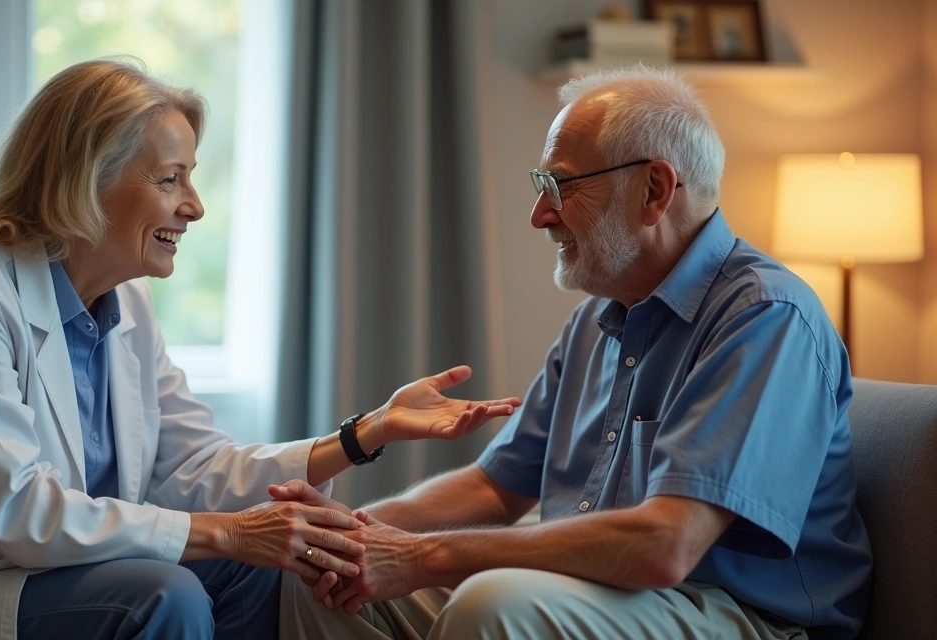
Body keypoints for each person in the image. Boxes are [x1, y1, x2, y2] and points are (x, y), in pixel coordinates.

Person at [0, 58, 522, 640]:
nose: (195, 206)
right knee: (164, 591)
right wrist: (233, 533)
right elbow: (16, 513)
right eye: (171, 178)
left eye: (191, 178)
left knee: (266, 573)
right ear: (88, 181)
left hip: (36, 572)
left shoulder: (123, 305)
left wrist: (366, 434)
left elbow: (194, 468)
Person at [277, 65, 873, 640]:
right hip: (599, 593)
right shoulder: (598, 318)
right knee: (320, 577)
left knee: (495, 605)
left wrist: (422, 556)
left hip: (740, 614)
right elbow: (495, 488)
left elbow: (668, 546)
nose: (540, 215)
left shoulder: (764, 317)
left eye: (561, 186)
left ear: (655, 190)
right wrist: (352, 535)